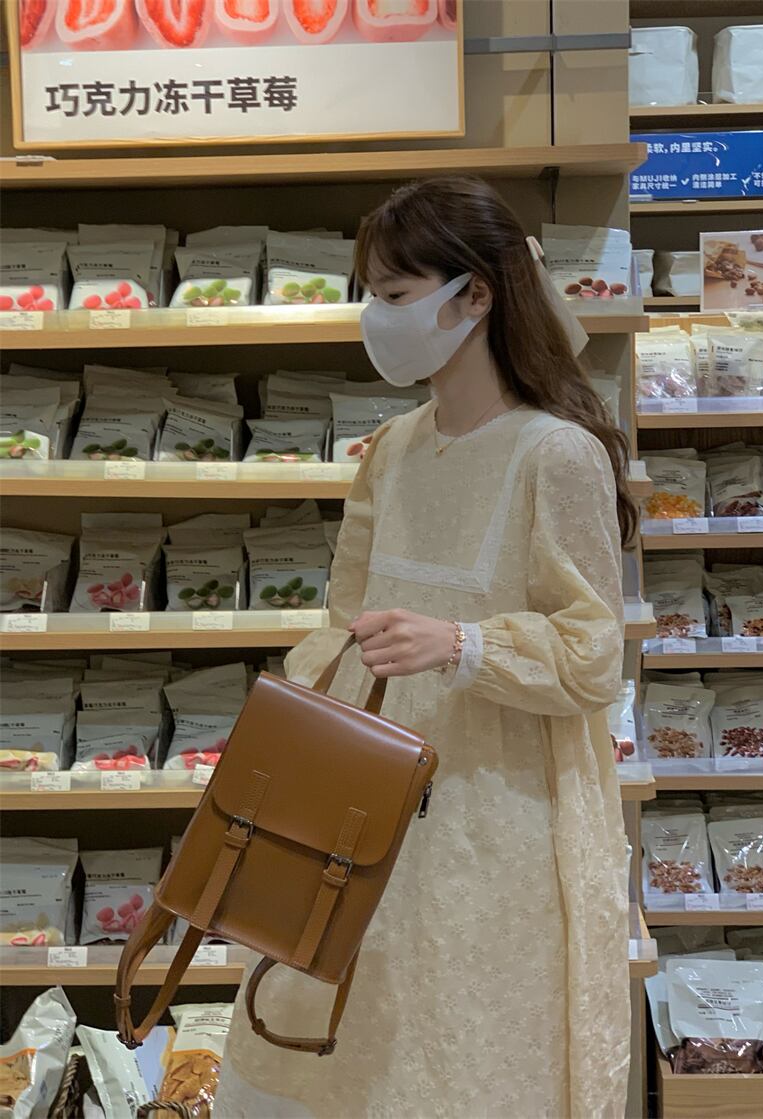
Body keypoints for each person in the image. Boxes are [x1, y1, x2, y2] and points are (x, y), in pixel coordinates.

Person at [216, 176, 637, 1119]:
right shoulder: (394, 448)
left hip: (500, 815)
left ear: (474, 295)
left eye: (396, 294)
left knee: (480, 1045)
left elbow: (593, 653)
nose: (377, 317)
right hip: (367, 809)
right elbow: (342, 616)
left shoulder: (556, 453)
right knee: (358, 1039)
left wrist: (462, 641)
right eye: (373, 294)